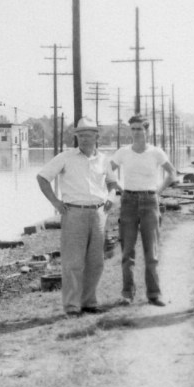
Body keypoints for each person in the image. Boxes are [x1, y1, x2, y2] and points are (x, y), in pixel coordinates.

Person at [36, 117, 119, 317]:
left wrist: (111, 197)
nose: (84, 139)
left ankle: (89, 303)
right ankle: (72, 307)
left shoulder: (104, 159)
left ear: (96, 137)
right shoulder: (65, 157)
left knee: (95, 262)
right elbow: (42, 177)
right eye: (80, 135)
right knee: (73, 263)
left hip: (98, 214)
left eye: (88, 135)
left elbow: (112, 183)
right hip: (73, 213)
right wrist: (55, 202)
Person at [110, 114, 176, 307]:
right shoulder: (123, 152)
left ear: (147, 131)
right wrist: (116, 186)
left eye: (140, 129)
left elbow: (172, 173)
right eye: (133, 129)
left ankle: (154, 294)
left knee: (151, 253)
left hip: (149, 202)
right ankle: (127, 294)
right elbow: (107, 170)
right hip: (128, 202)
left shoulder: (156, 152)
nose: (136, 132)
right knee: (127, 252)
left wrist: (158, 191)